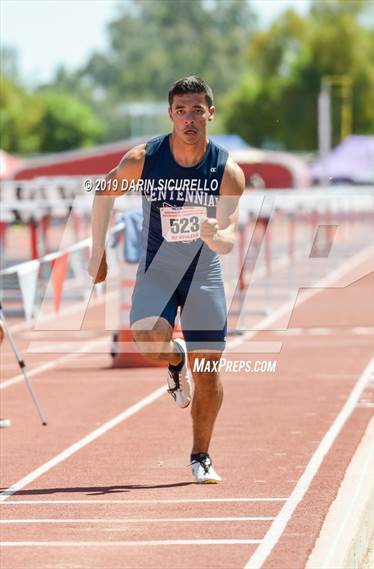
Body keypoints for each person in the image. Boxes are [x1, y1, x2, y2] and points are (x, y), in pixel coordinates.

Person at [88, 76, 245, 483]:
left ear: (210, 112)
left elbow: (229, 238)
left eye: (196, 110)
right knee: (147, 339)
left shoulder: (228, 172)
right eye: (181, 111)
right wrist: (97, 251)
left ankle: (201, 455)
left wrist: (216, 235)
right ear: (170, 114)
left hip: (203, 275)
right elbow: (104, 192)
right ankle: (175, 360)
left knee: (208, 370)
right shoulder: (145, 159)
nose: (189, 119)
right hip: (158, 270)